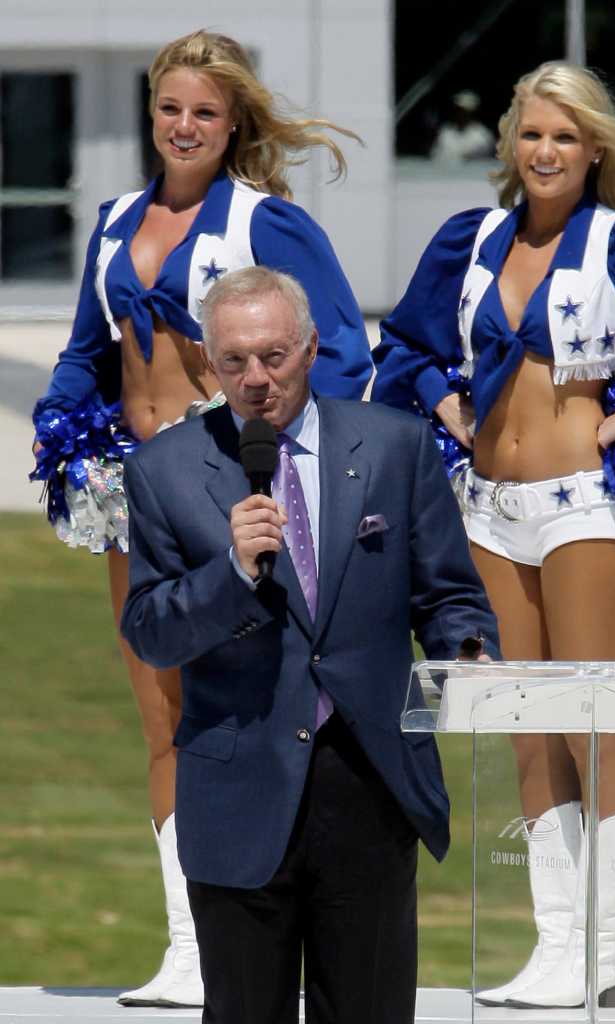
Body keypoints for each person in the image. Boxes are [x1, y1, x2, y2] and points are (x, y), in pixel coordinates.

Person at [30, 29, 373, 1008]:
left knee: (244, 720)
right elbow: (86, 348)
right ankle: (188, 947)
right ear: (153, 112)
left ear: (233, 126)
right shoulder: (112, 220)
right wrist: (59, 413)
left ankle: (258, 940)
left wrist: (278, 448)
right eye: (172, 108)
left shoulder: (267, 222)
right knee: (161, 718)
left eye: (206, 114)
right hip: (128, 492)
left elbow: (340, 351)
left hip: (226, 487)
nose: (185, 127)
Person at [372, 61, 615, 1009]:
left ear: (595, 149)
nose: (545, 151)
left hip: (583, 503)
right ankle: (557, 946)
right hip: (489, 510)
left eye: (564, 135)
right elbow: (410, 348)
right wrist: (443, 400)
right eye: (531, 133)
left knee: (598, 719)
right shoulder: (470, 241)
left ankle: (607, 946)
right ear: (512, 142)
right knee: (526, 727)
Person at [119, 265, 500, 1024]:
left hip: (371, 781)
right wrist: (231, 572)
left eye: (273, 356)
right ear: (207, 362)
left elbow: (449, 593)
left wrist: (469, 651)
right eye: (234, 362)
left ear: (313, 347)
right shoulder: (164, 472)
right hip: (239, 792)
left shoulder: (395, 447)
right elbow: (152, 631)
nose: (256, 379)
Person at [431, 89, 495, 165]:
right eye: (457, 110)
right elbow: (434, 156)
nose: (459, 114)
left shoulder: (483, 136)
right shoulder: (445, 132)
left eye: (463, 110)